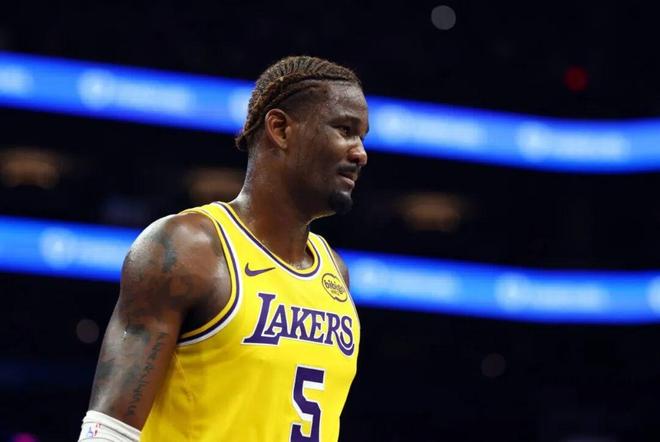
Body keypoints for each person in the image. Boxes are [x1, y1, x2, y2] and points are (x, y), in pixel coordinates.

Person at [78, 55, 369, 442]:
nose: (360, 153)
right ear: (280, 129)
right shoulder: (187, 248)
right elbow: (107, 431)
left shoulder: (334, 271)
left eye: (362, 137)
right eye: (345, 130)